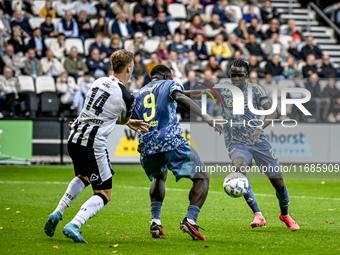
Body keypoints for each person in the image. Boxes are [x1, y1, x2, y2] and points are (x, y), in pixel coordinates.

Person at [44, 49, 149, 243]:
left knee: (83, 177)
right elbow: (122, 117)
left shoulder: (97, 82)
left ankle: (57, 213)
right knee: (104, 193)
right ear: (129, 67)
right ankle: (75, 224)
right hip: (92, 145)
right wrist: (129, 121)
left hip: (74, 137)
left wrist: (126, 122)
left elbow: (98, 113)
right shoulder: (127, 97)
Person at [132, 64, 222, 240]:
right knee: (202, 177)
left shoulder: (138, 93)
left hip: (148, 145)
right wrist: (207, 117)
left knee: (159, 176)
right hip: (170, 141)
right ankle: (190, 219)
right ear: (167, 76)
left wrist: (201, 93)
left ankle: (155, 222)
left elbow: (178, 94)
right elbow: (179, 96)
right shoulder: (169, 85)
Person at [214, 59, 300, 230]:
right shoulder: (222, 88)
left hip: (258, 142)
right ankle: (257, 214)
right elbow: (196, 93)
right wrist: (175, 91)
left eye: (240, 75)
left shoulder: (256, 89)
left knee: (279, 183)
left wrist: (260, 127)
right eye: (233, 75)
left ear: (246, 75)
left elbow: (272, 112)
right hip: (237, 142)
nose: (236, 78)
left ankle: (285, 215)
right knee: (239, 172)